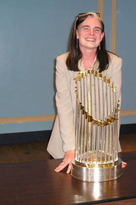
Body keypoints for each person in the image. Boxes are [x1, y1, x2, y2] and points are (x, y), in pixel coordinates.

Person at [47, 12, 126, 174]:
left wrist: (110, 151)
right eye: (86, 28)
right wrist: (70, 148)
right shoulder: (62, 62)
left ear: (102, 36)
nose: (91, 33)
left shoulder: (114, 63)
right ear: (76, 34)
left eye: (97, 30)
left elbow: (114, 110)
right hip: (67, 142)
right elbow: (64, 107)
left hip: (102, 141)